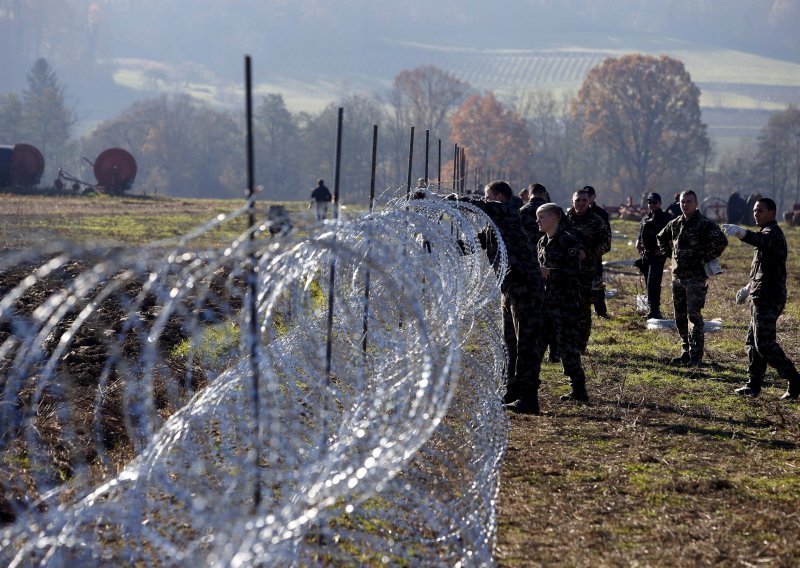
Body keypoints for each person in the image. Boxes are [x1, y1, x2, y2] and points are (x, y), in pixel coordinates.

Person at [457, 181, 545, 414]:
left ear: (500, 197)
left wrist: (450, 201)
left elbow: (481, 207)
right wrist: (438, 244)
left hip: (524, 287)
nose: (485, 201)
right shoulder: (494, 226)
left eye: (488, 197)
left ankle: (529, 398)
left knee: (526, 343)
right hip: (510, 288)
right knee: (511, 343)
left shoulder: (508, 211)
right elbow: (473, 245)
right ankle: (513, 390)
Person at [722, 199, 800, 400]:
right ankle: (753, 385)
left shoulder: (772, 233)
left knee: (764, 344)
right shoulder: (766, 232)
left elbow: (761, 241)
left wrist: (741, 233)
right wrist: (748, 289)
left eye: (761, 211)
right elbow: (763, 269)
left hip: (769, 297)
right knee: (752, 342)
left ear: (772, 213)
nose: (756, 214)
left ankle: (795, 379)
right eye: (755, 210)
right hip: (759, 295)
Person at [657, 190, 728, 365]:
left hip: (695, 279)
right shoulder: (675, 224)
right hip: (677, 277)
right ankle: (686, 352)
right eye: (682, 201)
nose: (685, 204)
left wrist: (703, 259)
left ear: (696, 204)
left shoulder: (704, 224)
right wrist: (671, 256)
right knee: (680, 317)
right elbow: (660, 238)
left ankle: (696, 356)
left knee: (693, 317)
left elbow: (721, 242)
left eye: (689, 201)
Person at [535, 202, 590, 402]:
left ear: (555, 218)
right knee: (536, 345)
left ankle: (578, 389)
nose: (538, 221)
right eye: (537, 217)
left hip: (565, 303)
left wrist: (550, 273)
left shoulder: (568, 242)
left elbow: (574, 272)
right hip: (545, 302)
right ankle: (528, 387)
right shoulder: (541, 243)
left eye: (542, 217)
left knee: (567, 348)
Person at [566, 189, 610, 352]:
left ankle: (580, 345)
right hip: (566, 271)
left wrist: (588, 254)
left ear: (589, 201)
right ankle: (565, 342)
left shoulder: (597, 221)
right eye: (578, 200)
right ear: (573, 201)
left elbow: (606, 244)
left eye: (584, 200)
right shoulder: (564, 219)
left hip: (587, 271)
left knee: (584, 309)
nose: (581, 203)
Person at [635, 192, 671, 319]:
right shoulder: (645, 218)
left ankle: (655, 311)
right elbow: (641, 233)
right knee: (648, 282)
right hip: (646, 255)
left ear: (660, 203)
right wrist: (638, 242)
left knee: (653, 283)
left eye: (654, 202)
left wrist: (664, 250)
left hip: (658, 255)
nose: (652, 204)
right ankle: (653, 310)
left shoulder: (666, 218)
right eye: (649, 202)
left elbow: (672, 237)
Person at [584, 185, 612, 318]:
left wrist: (596, 253)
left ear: (594, 196)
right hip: (578, 257)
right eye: (584, 196)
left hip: (595, 255)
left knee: (597, 284)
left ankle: (601, 311)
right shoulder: (573, 213)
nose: (587, 199)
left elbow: (607, 237)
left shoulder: (601, 213)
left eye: (589, 195)